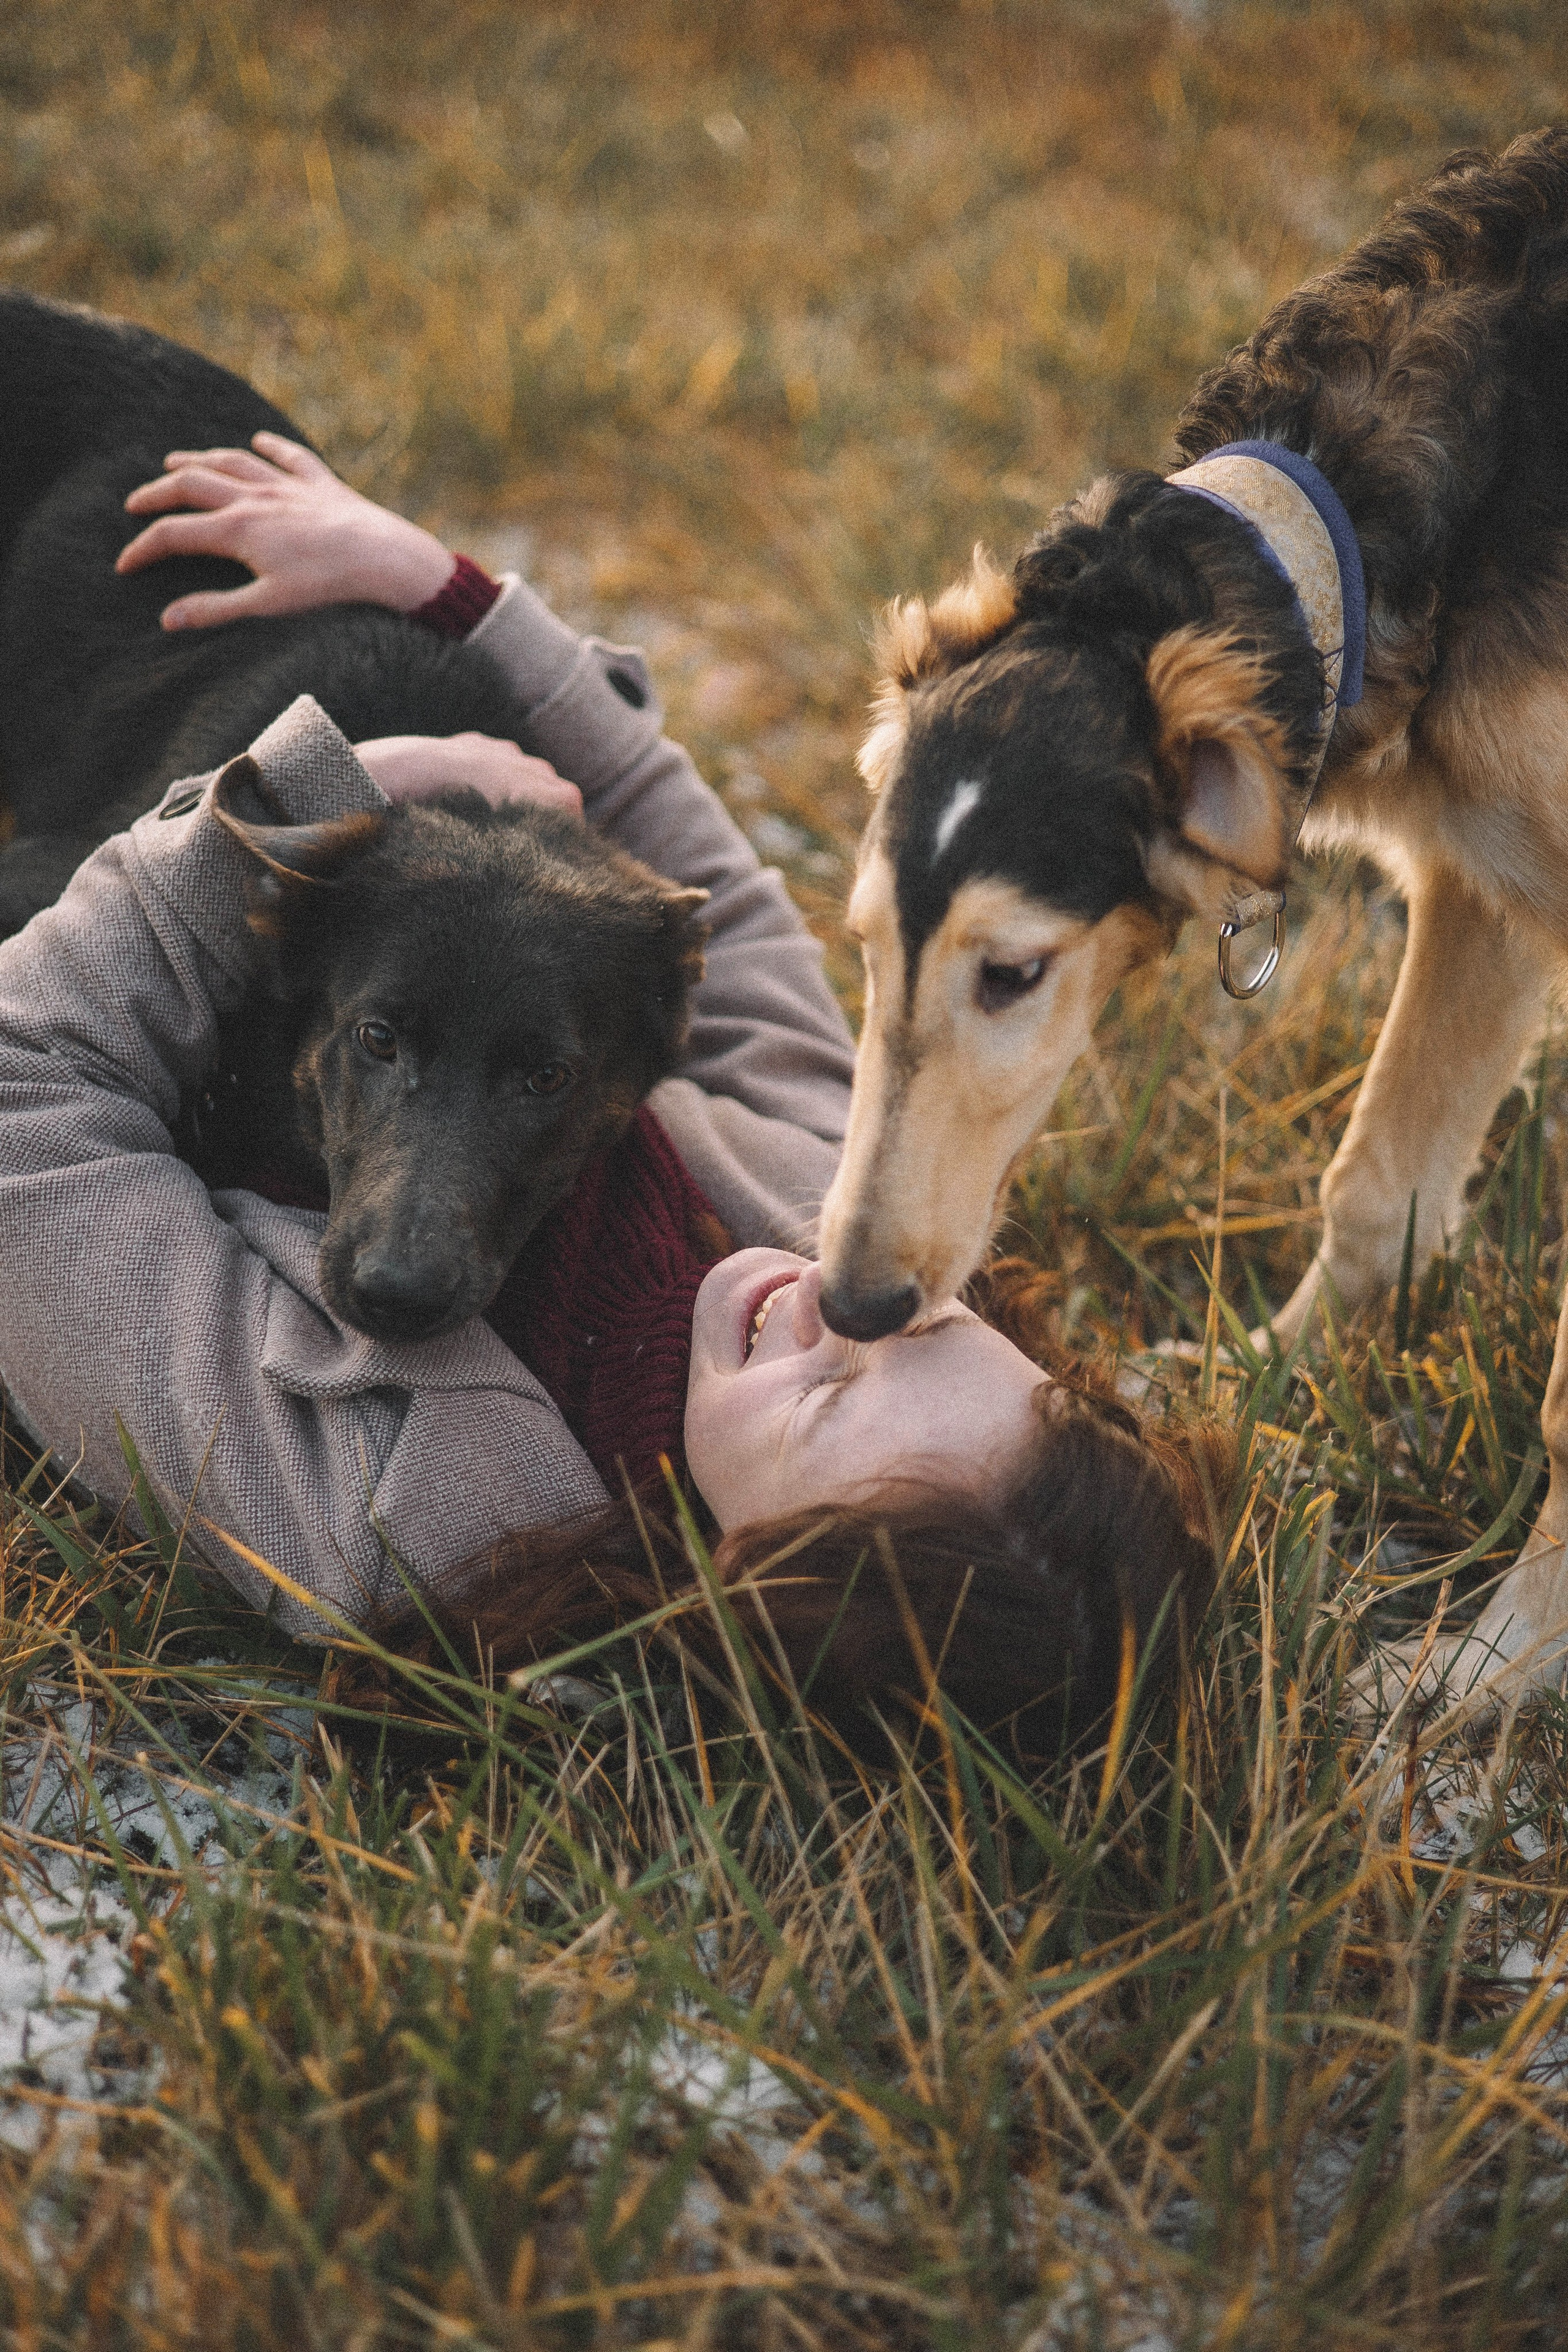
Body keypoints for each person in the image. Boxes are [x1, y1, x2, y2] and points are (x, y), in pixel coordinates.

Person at [0, 435, 1227, 1758]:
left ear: (751, 1585)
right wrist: (445, 588)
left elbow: (23, 1112)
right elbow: (709, 897)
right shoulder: (829, 1213)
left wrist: (326, 805)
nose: (832, 1307)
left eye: (824, 1402)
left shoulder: (396, 1523)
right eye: (921, 1329)